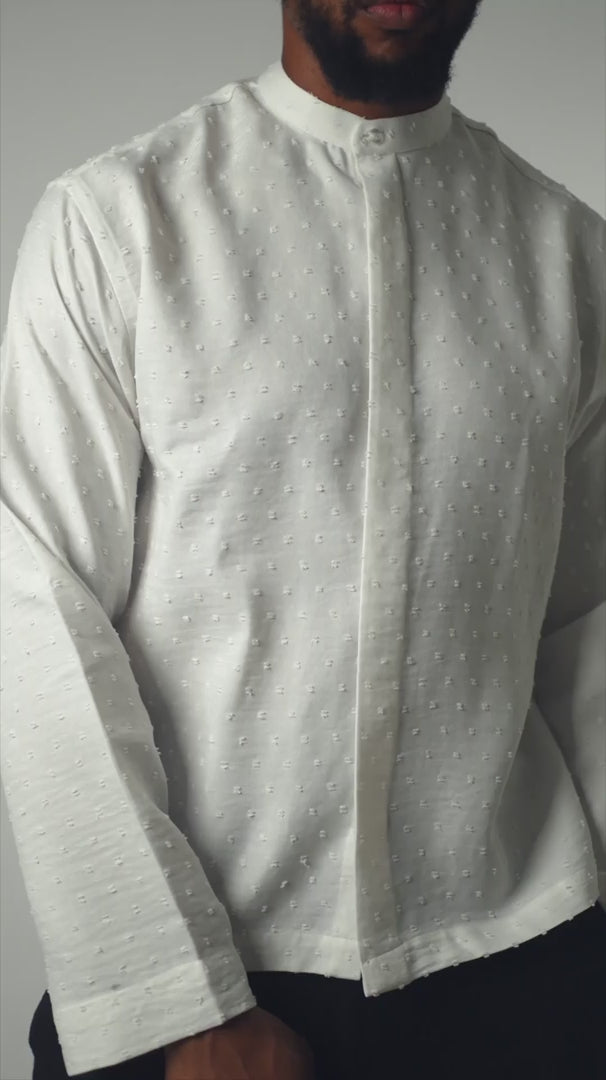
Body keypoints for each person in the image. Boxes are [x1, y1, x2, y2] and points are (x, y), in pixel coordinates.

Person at [1, 0, 604, 1077]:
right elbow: (34, 610)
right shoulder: (115, 223)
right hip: (204, 976)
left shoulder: (572, 254)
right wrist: (175, 1004)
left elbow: (589, 618)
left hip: (533, 962)